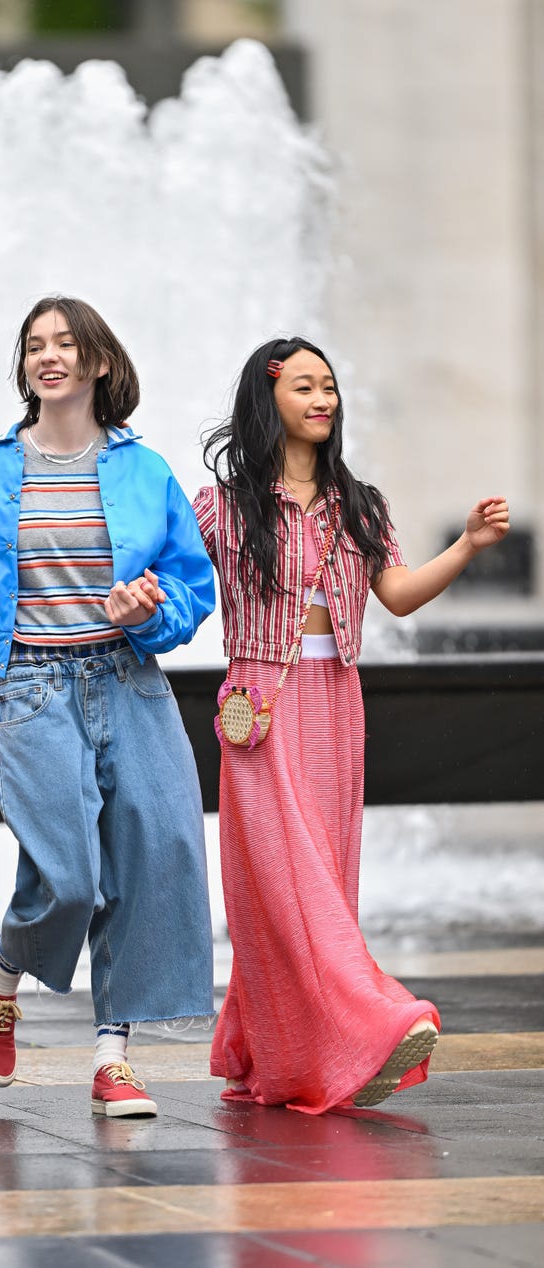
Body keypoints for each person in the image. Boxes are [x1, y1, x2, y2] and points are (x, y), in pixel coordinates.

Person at [0, 296, 216, 1117]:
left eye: (65, 344)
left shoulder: (145, 471)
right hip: (32, 689)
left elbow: (191, 584)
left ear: (98, 363)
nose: (49, 357)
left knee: (157, 854)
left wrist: (151, 611)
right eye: (35, 345)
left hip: (131, 682)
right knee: (69, 878)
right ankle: (0, 971)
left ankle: (114, 1056)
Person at [194, 336, 510, 1114]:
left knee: (323, 878)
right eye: (304, 386)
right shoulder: (222, 506)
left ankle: (284, 1057)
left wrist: (466, 545)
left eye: (329, 385)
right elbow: (166, 574)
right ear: (267, 401)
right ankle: (372, 1018)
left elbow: (397, 594)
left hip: (335, 698)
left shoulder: (359, 505)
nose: (322, 399)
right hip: (259, 704)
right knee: (281, 880)